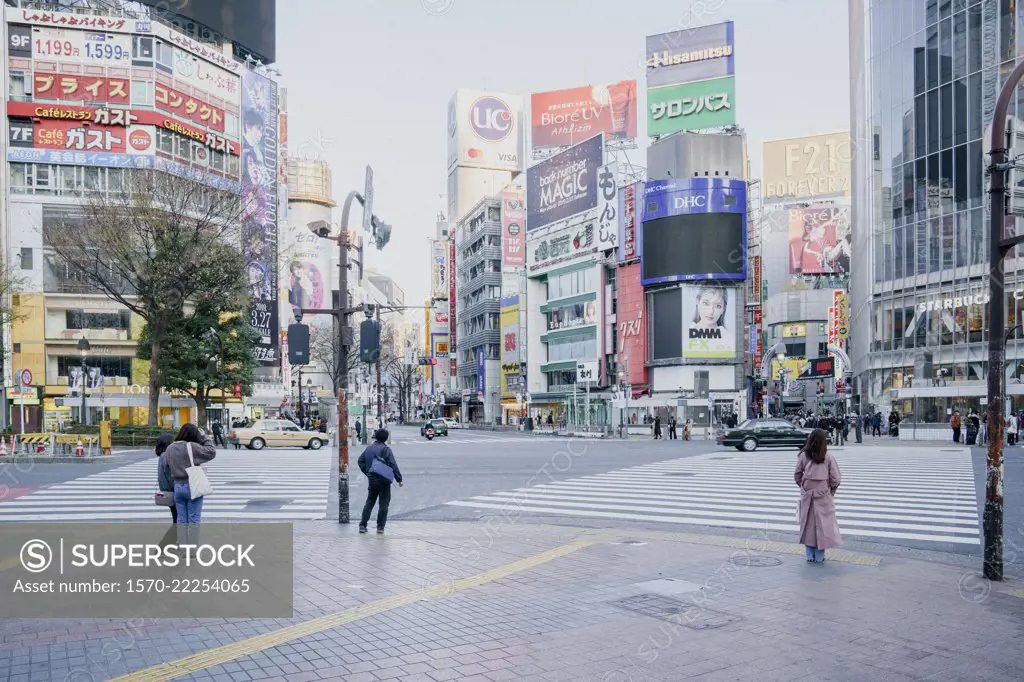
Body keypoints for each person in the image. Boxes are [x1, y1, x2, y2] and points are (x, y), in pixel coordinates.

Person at [163, 424, 217, 545]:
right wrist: (204, 437)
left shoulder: (170, 448)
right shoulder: (192, 447)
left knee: (181, 519)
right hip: (192, 485)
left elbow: (166, 466)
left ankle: (183, 547)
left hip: (177, 486)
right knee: (193, 519)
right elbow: (211, 451)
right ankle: (192, 549)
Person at [795, 429, 842, 563]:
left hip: (807, 495)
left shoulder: (803, 455)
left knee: (808, 525)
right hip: (824, 494)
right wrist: (831, 491)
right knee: (824, 525)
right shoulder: (828, 457)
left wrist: (803, 488)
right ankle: (820, 556)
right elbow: (835, 479)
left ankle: (810, 555)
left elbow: (797, 475)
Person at [357, 428, 403, 534]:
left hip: (372, 480)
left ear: (376, 436)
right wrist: (399, 479)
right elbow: (393, 465)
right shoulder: (386, 449)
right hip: (384, 481)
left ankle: (363, 525)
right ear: (386, 438)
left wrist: (368, 472)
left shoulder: (369, 448)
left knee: (369, 502)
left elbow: (360, 461)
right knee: (383, 504)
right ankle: (380, 528)